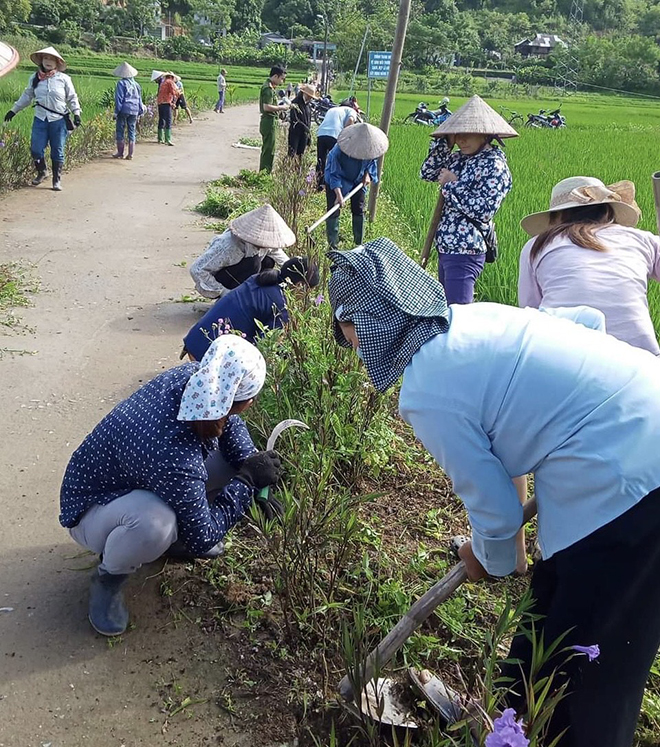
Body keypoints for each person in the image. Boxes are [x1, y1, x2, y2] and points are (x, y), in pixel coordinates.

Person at [328, 236, 660, 747]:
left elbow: (497, 513)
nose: (346, 343)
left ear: (370, 322)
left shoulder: (426, 388)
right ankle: (512, 729)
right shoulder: (476, 319)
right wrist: (514, 552)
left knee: (593, 651)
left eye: (345, 328)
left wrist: (489, 555)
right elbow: (589, 321)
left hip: (629, 482)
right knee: (555, 608)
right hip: (638, 421)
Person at [60, 335, 283, 637]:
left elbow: (230, 427)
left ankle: (174, 540)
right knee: (156, 524)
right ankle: (109, 579)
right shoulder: (176, 458)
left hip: (137, 478)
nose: (253, 402)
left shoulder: (198, 381)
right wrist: (246, 482)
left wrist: (255, 472)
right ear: (242, 401)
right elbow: (203, 537)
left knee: (234, 464)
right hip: (91, 508)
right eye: (252, 396)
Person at [518, 176, 660, 355]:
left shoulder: (537, 245)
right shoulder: (642, 239)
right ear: (608, 210)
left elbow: (530, 310)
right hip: (640, 355)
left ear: (557, 215)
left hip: (560, 353)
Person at [420, 94, 517, 304]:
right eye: (457, 134)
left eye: (467, 134)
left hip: (465, 249)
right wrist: (445, 143)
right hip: (446, 246)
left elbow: (484, 210)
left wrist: (451, 185)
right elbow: (427, 172)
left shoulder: (495, 166)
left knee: (460, 317)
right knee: (447, 312)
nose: (461, 140)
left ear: (485, 134)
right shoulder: (458, 158)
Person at [183, 256, 320, 360]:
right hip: (208, 354)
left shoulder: (260, 279)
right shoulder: (281, 305)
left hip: (196, 339)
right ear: (300, 286)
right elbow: (269, 348)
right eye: (309, 291)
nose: (307, 297)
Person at [3, 46, 81, 191]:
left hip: (58, 120)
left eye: (51, 59)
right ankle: (42, 171)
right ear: (41, 61)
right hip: (40, 119)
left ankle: (56, 180)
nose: (48, 61)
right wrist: (13, 111)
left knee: (57, 151)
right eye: (46, 58)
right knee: (36, 149)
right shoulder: (35, 78)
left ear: (57, 62)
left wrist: (76, 113)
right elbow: (27, 96)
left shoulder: (64, 79)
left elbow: (72, 97)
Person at [189, 204, 295, 299]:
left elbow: (282, 259)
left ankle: (252, 294)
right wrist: (223, 291)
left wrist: (296, 273)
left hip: (242, 271)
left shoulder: (267, 244)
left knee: (268, 261)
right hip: (221, 278)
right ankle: (235, 298)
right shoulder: (229, 246)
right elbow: (197, 269)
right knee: (253, 263)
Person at [324, 122, 388, 250]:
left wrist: (368, 174)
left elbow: (371, 163)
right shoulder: (338, 151)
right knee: (334, 209)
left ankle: (359, 243)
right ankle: (333, 245)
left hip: (358, 181)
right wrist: (339, 194)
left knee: (358, 208)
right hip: (337, 180)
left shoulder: (370, 149)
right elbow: (334, 174)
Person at [315, 104, 358, 189]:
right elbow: (350, 120)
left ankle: (319, 183)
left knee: (321, 159)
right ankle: (331, 184)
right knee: (334, 160)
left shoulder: (332, 109)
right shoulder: (352, 111)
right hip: (334, 135)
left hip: (321, 134)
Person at [112, 62, 145, 161]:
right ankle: (130, 154)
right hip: (134, 110)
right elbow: (139, 99)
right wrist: (140, 111)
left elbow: (119, 99)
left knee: (120, 130)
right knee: (131, 131)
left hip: (124, 109)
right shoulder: (136, 85)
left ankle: (120, 152)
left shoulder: (121, 83)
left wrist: (116, 112)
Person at [259, 65, 289, 173]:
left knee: (269, 148)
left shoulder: (271, 87)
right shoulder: (268, 88)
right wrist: (282, 107)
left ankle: (265, 172)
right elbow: (266, 107)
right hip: (269, 121)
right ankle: (264, 173)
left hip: (271, 121)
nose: (282, 81)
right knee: (268, 150)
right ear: (275, 76)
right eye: (281, 78)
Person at [288, 84, 318, 159]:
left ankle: (298, 170)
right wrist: (306, 129)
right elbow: (295, 119)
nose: (310, 98)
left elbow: (308, 120)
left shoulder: (308, 105)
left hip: (304, 134)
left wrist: (308, 135)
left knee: (301, 155)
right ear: (304, 93)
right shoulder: (295, 103)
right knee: (292, 154)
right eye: (309, 96)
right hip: (295, 133)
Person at [156, 72, 178, 145]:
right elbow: (174, 92)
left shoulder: (163, 83)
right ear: (172, 77)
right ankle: (167, 139)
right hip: (166, 103)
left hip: (160, 103)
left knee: (161, 119)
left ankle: (160, 138)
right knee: (168, 120)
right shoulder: (170, 82)